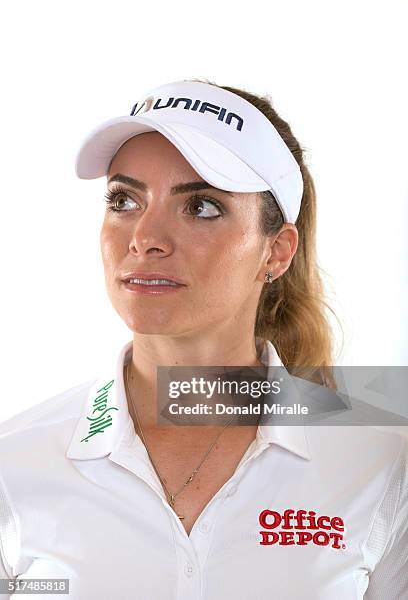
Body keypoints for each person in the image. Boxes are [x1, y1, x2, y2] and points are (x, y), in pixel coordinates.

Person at [0, 79, 406, 599]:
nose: (145, 238)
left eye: (202, 207)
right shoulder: (17, 463)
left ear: (276, 252)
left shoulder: (378, 462)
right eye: (124, 200)